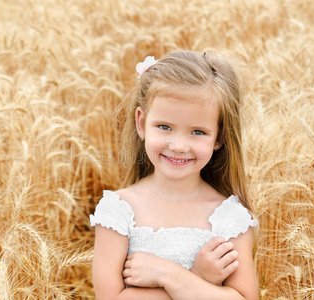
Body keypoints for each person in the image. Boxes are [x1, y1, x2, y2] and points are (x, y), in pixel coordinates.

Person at [90, 50, 259, 299]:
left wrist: (169, 275)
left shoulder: (229, 218)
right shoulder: (118, 211)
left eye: (198, 132)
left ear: (219, 136)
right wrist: (198, 279)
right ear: (141, 123)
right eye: (164, 127)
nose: (178, 145)